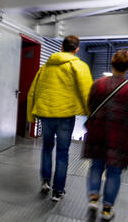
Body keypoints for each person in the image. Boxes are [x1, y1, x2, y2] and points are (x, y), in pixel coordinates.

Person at [27, 35, 93, 201]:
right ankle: (58, 191)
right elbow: (87, 92)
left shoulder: (46, 66)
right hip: (65, 116)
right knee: (63, 153)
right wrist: (90, 114)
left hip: (46, 114)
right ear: (77, 49)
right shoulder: (79, 66)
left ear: (62, 47)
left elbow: (33, 90)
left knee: (47, 148)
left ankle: (45, 182)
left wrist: (31, 113)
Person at [84, 49, 128, 221]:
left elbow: (90, 105)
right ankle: (107, 210)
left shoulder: (98, 84)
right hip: (120, 135)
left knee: (96, 166)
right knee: (114, 173)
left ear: (112, 64)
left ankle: (93, 198)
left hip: (98, 132)